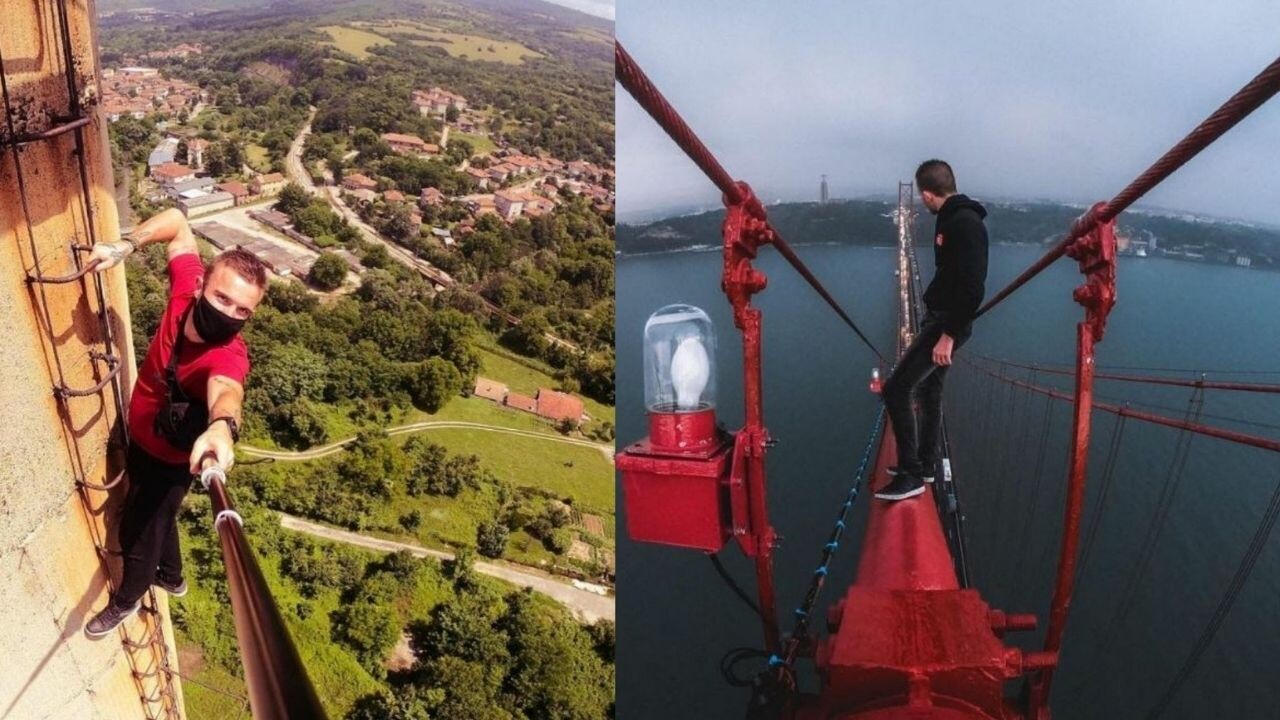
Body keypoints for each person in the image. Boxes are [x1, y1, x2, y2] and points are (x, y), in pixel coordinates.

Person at [84, 208, 268, 637]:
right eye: (223, 298)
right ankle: (173, 576)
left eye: (242, 310)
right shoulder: (186, 290)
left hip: (172, 461)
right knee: (160, 518)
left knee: (137, 532)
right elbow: (178, 223)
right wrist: (124, 246)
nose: (229, 313)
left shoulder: (227, 355)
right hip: (143, 441)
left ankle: (127, 600)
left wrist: (223, 427)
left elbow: (227, 391)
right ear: (203, 283)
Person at [875, 160, 988, 501]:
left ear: (926, 194)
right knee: (928, 392)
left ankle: (911, 476)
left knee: (896, 389)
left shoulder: (963, 223)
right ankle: (924, 465)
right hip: (942, 317)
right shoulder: (953, 217)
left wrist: (949, 335)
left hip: (946, 323)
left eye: (920, 198)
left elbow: (973, 286)